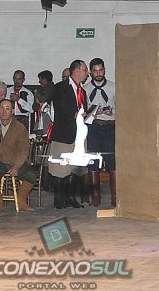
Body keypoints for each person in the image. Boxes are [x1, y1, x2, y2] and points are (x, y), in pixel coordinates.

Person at [0, 99, 36, 213]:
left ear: (12, 111)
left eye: (7, 109)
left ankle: (21, 200)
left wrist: (16, 166)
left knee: (32, 175)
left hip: (15, 160)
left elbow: (24, 149)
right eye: (2, 108)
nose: (4, 112)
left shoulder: (19, 127)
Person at [48, 60, 89, 209]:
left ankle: (70, 196)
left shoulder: (82, 91)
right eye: (85, 69)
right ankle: (59, 197)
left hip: (79, 134)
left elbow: (83, 108)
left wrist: (87, 114)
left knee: (76, 167)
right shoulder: (60, 87)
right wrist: (75, 114)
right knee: (60, 167)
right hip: (64, 133)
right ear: (76, 70)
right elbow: (61, 107)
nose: (87, 73)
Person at [83, 58, 116, 207]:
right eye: (95, 71)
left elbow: (122, 107)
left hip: (110, 127)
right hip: (93, 128)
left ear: (104, 70)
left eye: (101, 70)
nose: (98, 73)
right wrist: (92, 114)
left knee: (112, 161)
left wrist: (112, 112)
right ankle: (96, 196)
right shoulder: (85, 89)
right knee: (93, 161)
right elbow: (82, 111)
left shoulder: (113, 87)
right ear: (90, 72)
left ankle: (115, 196)